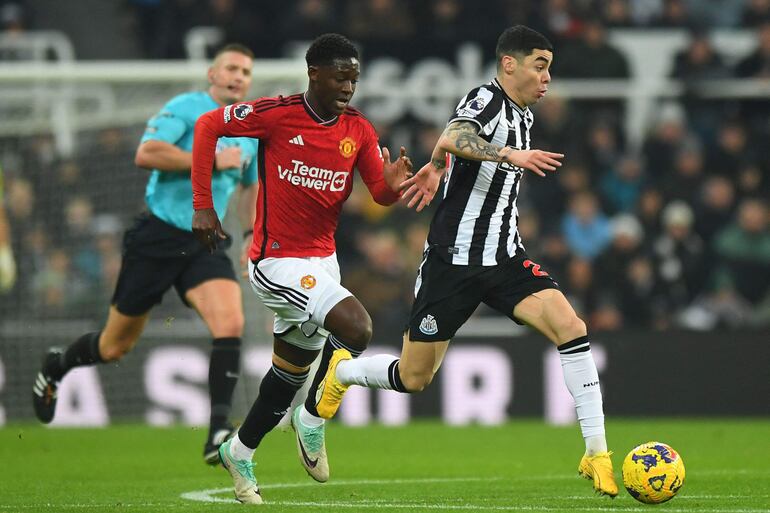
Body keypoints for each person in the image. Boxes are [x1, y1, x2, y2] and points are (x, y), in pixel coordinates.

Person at [313, 25, 620, 498]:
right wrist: (504, 154)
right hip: (452, 261)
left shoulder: (523, 116)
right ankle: (344, 372)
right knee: (414, 378)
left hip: (505, 258)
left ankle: (596, 453)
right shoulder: (487, 99)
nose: (547, 79)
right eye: (540, 66)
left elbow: (448, 145)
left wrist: (435, 166)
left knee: (571, 326)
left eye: (550, 69)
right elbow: (457, 132)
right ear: (509, 64)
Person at [191, 33, 413, 504]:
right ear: (314, 74)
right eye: (340, 77)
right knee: (357, 327)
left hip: (321, 263)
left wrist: (395, 188)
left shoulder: (359, 130)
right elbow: (209, 125)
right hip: (276, 261)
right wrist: (203, 206)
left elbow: (379, 192)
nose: (348, 87)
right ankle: (312, 415)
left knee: (287, 376)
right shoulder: (277, 114)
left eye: (353, 79)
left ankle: (240, 450)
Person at [32, 44, 259, 466]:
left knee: (231, 322)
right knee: (114, 346)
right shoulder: (187, 108)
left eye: (245, 71)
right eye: (231, 67)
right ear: (213, 73)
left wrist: (249, 233)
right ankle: (57, 365)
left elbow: (250, 185)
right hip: (157, 237)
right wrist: (207, 158)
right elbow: (146, 153)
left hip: (205, 240)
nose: (238, 76)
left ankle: (218, 436)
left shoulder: (249, 128)